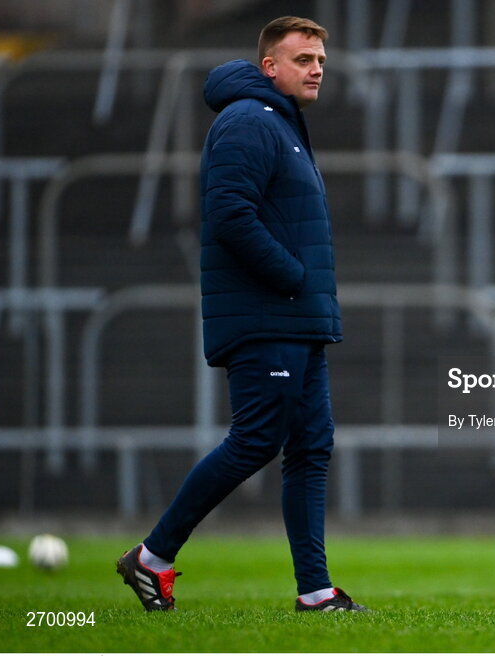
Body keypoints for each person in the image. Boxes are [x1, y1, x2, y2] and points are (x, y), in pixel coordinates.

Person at [116, 16, 367, 613]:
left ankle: (316, 592)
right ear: (269, 67)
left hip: (296, 318)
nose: (316, 69)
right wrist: (292, 278)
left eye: (321, 60)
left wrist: (303, 294)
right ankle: (151, 558)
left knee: (310, 448)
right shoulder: (247, 121)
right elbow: (230, 215)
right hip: (268, 315)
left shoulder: (280, 124)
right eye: (303, 59)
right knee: (256, 439)